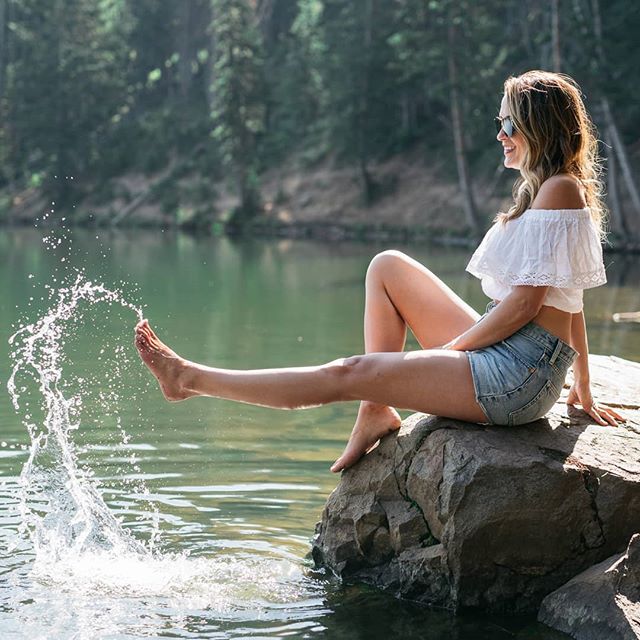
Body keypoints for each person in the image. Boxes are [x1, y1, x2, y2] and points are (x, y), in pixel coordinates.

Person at [135, 70, 624, 474]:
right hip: (516, 357)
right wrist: (580, 383)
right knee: (387, 266)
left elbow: (527, 304)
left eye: (509, 125)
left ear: (540, 129)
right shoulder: (552, 189)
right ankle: (375, 409)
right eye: (500, 122)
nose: (499, 135)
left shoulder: (559, 189)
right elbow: (570, 296)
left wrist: (450, 354)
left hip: (516, 377)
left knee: (352, 372)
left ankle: (189, 379)